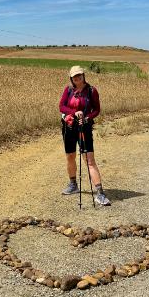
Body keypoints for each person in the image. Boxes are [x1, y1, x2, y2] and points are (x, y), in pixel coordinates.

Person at [59, 65, 111, 206]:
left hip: (85, 128)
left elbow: (97, 109)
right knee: (70, 156)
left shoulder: (92, 91)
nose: (77, 78)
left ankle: (100, 193)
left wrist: (87, 118)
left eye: (79, 75)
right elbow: (61, 106)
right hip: (69, 127)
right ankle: (73, 184)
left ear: (83, 75)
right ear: (71, 78)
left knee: (89, 160)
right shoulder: (68, 90)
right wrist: (73, 112)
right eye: (74, 76)